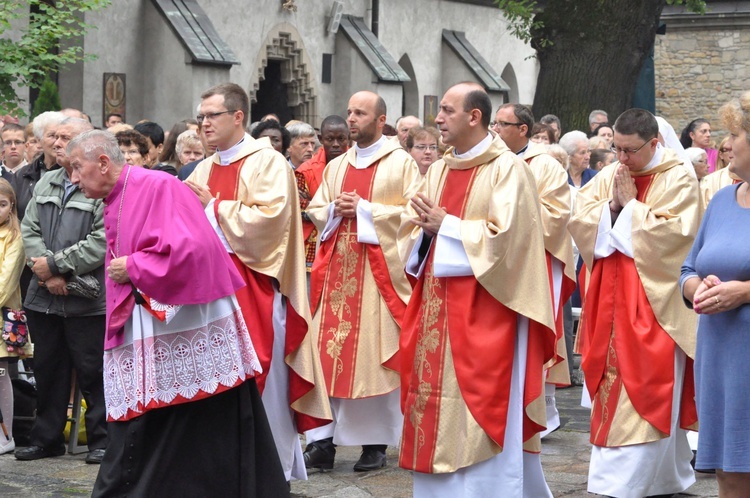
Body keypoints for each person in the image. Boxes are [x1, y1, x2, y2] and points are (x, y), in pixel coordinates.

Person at [64, 130, 288, 497]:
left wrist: (136, 266)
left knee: (186, 416)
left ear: (102, 162)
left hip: (186, 320)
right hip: (150, 319)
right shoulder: (117, 194)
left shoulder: (158, 186)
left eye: (76, 168)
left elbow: (196, 250)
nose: (73, 178)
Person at [399, 83, 556, 497]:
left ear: (474, 117)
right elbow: (413, 235)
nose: (437, 118)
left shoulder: (508, 170)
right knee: (431, 402)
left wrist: (445, 226)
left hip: (489, 313)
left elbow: (508, 241)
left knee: (481, 405)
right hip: (436, 309)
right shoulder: (438, 170)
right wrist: (425, 232)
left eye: (447, 111)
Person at [185, 82, 331, 482]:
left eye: (211, 116)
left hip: (256, 292)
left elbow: (270, 224)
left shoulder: (268, 163)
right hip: (210, 296)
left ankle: (269, 472)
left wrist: (212, 208)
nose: (203, 124)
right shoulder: (205, 167)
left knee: (262, 387)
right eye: (200, 117)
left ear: (237, 117)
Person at [568, 108, 700, 497]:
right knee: (612, 384)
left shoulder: (678, 177)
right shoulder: (612, 173)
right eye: (616, 149)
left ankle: (629, 483)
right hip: (608, 298)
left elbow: (678, 235)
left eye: (629, 151)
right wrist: (611, 207)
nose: (620, 159)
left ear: (654, 143)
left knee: (647, 386)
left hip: (652, 303)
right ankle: (657, 479)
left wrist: (631, 206)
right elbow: (581, 217)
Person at [303, 90, 419, 472]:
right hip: (337, 274)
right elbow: (317, 208)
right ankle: (323, 442)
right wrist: (334, 210)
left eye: (360, 113)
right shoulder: (337, 166)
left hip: (377, 279)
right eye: (349, 112)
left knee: (373, 355)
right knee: (326, 354)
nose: (350, 119)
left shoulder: (401, 163)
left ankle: (376, 443)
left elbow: (414, 217)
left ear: (381, 120)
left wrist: (366, 211)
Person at [15, 117, 109, 465]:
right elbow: (30, 231)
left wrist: (57, 267)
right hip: (45, 295)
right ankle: (46, 439)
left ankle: (102, 440)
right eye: (53, 136)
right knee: (47, 369)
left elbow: (101, 241)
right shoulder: (47, 182)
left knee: (93, 371)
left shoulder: (98, 186)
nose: (57, 143)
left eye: (65, 137)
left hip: (86, 296)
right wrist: (46, 271)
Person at [680, 92, 750, 496]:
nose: (725, 144)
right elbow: (689, 268)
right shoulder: (722, 199)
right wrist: (698, 286)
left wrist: (744, 291)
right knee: (729, 471)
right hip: (719, 355)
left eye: (734, 134)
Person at [0, 179, 33, 455]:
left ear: (12, 207)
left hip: (2, 317)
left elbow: (6, 282)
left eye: (1, 204)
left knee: (0, 375)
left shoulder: (15, 238)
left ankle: (6, 436)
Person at [295, 115, 349, 277]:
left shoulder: (361, 166)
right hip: (313, 246)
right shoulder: (305, 171)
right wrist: (336, 208)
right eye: (330, 139)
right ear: (320, 139)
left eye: (341, 139)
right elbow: (302, 210)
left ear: (349, 138)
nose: (336, 144)